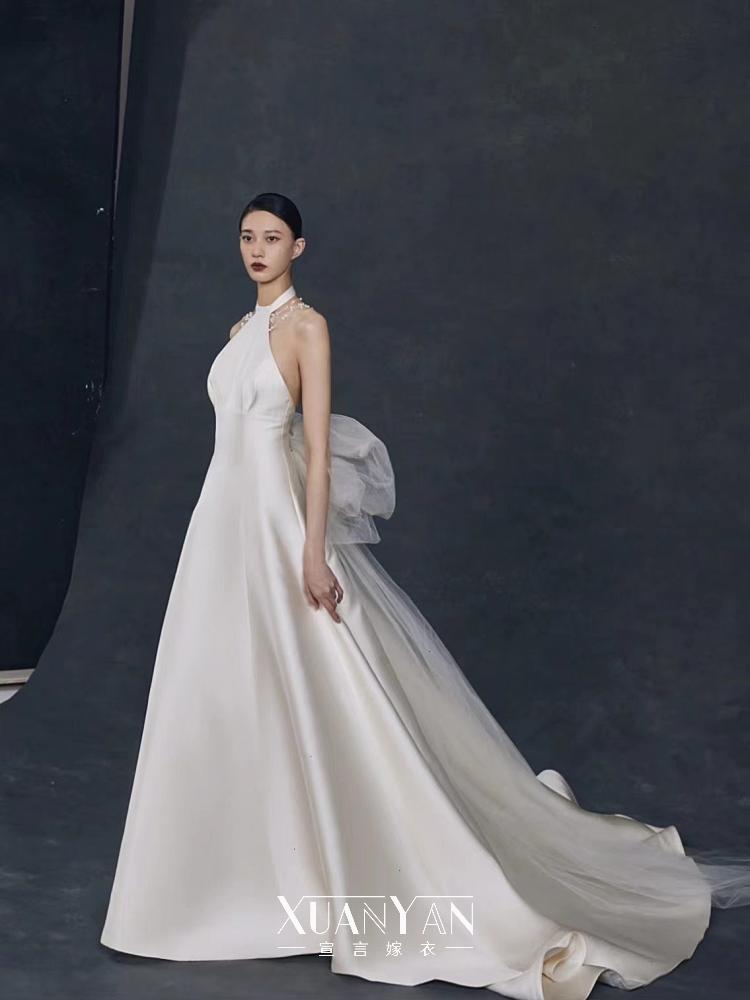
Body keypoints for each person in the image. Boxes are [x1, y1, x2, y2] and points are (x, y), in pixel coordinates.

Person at [100, 191, 750, 999]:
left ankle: (362, 873)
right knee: (219, 691)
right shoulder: (238, 334)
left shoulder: (308, 329)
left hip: (276, 529)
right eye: (247, 237)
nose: (257, 249)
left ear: (299, 247)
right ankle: (229, 884)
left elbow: (315, 450)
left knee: (326, 688)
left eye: (272, 237)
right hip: (219, 530)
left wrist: (312, 551)